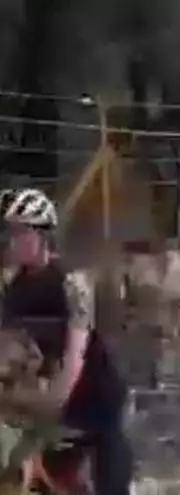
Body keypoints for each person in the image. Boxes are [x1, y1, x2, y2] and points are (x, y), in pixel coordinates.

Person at [0, 187, 132, 494]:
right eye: (9, 232)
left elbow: (75, 355)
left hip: (94, 391)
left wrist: (52, 403)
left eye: (20, 233)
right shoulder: (15, 288)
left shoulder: (72, 283)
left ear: (42, 236)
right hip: (52, 393)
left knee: (109, 472)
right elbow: (12, 349)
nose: (11, 241)